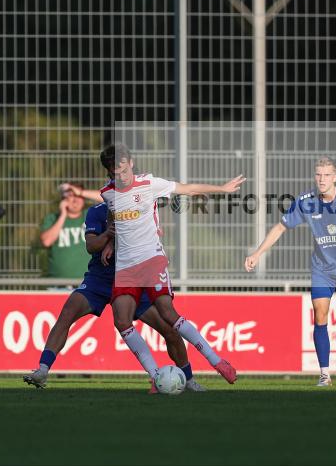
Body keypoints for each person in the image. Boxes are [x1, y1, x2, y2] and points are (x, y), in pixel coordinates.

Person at [24, 187, 205, 392]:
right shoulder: (97, 211)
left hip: (131, 280)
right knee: (67, 313)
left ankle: (188, 380)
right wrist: (107, 236)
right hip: (100, 279)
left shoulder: (139, 211)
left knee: (168, 329)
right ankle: (42, 370)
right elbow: (91, 246)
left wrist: (115, 242)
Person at [99, 144, 244, 384]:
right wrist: (110, 243)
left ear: (131, 163)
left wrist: (221, 188)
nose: (122, 176)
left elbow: (186, 189)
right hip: (125, 267)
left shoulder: (149, 183)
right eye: (116, 172)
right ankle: (157, 377)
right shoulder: (107, 193)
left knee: (168, 313)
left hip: (151, 260)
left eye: (124, 170)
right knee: (121, 320)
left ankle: (217, 361)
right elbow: (114, 218)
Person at [245, 157, 336, 388]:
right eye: (318, 175)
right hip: (322, 268)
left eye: (326, 175)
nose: (321, 179)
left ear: (335, 177)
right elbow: (280, 227)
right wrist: (257, 253)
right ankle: (325, 375)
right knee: (320, 314)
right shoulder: (306, 201)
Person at [39, 182, 98, 280]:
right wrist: (63, 215)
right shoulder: (53, 218)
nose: (75, 200)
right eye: (71, 196)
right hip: (58, 283)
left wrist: (80, 192)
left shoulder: (90, 215)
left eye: (78, 196)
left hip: (88, 282)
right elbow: (46, 241)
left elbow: (109, 199)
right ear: (64, 199)